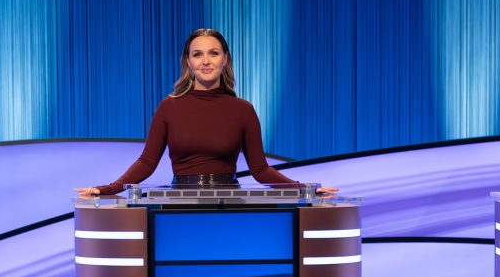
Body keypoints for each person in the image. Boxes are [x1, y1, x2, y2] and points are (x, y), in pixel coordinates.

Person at [75, 28, 337, 197]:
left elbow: (260, 169)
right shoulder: (169, 106)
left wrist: (305, 189)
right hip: (180, 202)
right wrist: (108, 189)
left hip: (228, 201)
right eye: (197, 54)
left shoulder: (243, 110)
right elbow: (147, 162)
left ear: (225, 59)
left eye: (213, 53)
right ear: (188, 62)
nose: (206, 61)